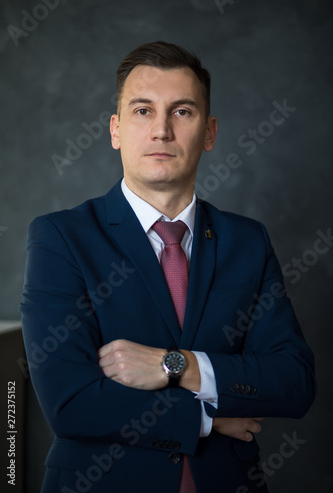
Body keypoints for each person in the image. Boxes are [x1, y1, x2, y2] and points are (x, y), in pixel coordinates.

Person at [20, 41, 316, 493]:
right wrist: (207, 418)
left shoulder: (247, 240)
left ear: (210, 132)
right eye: (142, 111)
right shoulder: (61, 238)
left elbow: (293, 382)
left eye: (182, 112)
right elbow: (71, 403)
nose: (161, 130)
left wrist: (175, 364)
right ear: (116, 130)